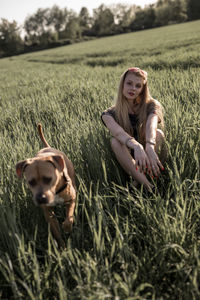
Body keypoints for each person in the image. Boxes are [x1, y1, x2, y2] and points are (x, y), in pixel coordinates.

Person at [101, 67, 166, 191]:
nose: (133, 88)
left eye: (138, 86)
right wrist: (137, 146)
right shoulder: (108, 114)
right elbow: (118, 133)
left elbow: (151, 125)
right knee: (115, 141)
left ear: (142, 89)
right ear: (122, 85)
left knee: (158, 133)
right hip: (128, 155)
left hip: (151, 152)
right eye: (129, 83)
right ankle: (149, 187)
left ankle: (137, 183)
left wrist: (149, 146)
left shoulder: (152, 104)